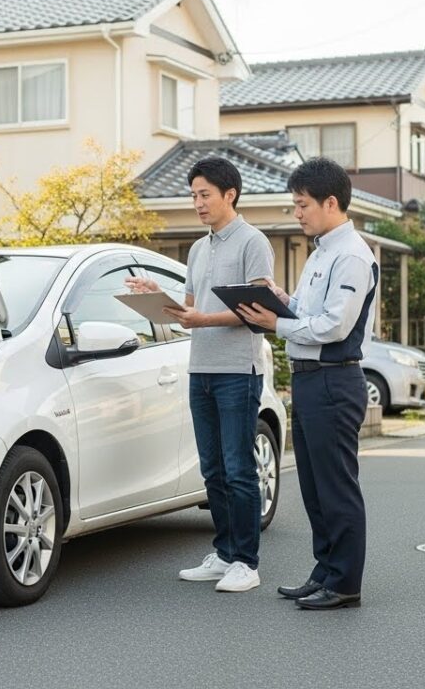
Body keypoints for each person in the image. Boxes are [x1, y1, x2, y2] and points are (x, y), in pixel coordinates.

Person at [125, 157, 274, 593]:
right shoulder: (197, 247)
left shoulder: (254, 242)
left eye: (204, 194)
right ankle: (225, 554)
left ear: (230, 194)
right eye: (193, 195)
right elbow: (189, 309)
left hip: (237, 371)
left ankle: (247, 561)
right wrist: (159, 297)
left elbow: (258, 311)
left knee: (238, 468)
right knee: (211, 469)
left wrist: (201, 319)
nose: (197, 202)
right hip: (201, 369)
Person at [237, 157, 377, 610]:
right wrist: (281, 299)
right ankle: (325, 572)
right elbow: (307, 310)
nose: (296, 213)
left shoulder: (353, 255)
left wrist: (276, 323)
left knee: (336, 486)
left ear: (330, 202)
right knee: (315, 487)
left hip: (336, 380)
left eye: (302, 205)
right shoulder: (321, 251)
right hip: (312, 382)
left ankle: (345, 584)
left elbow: (335, 326)